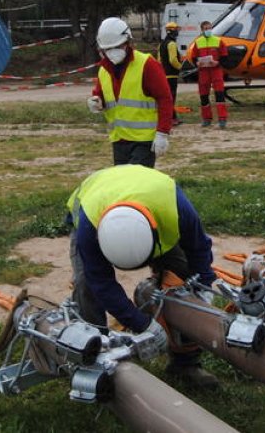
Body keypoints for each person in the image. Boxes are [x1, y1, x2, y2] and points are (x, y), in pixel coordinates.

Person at [67, 164, 219, 387]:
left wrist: (203, 289)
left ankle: (185, 362)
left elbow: (199, 249)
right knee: (86, 287)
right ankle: (94, 364)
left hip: (149, 195)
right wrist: (141, 323)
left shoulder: (176, 208)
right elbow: (102, 282)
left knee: (182, 272)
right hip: (96, 200)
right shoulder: (89, 229)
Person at [87, 17, 173, 167]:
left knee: (138, 183)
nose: (113, 52)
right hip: (119, 140)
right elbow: (100, 95)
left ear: (128, 42)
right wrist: (96, 101)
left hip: (144, 140)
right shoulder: (104, 70)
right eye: (108, 49)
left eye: (118, 46)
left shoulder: (147, 64)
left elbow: (165, 99)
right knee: (124, 185)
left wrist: (162, 133)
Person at [186, 20, 228, 128]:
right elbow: (194, 57)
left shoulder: (219, 41)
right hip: (203, 72)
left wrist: (217, 62)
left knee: (219, 95)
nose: (208, 30)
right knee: (203, 96)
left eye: (209, 28)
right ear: (202, 30)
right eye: (206, 28)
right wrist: (197, 63)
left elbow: (225, 56)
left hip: (216, 71)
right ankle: (206, 119)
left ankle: (222, 119)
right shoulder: (198, 42)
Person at [157, 21, 184, 126]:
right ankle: (171, 119)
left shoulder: (162, 44)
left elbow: (159, 60)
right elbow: (173, 60)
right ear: (172, 31)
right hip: (172, 75)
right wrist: (180, 67)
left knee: (167, 98)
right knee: (171, 98)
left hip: (164, 74)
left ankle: (172, 117)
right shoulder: (172, 44)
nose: (177, 32)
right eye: (176, 29)